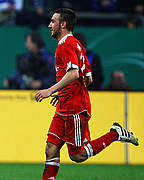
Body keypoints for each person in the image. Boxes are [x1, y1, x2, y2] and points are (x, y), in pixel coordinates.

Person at [34, 8, 138, 180]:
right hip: (65, 104)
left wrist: (50, 90)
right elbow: (87, 78)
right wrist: (64, 92)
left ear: (63, 24)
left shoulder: (66, 45)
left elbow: (74, 73)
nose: (49, 25)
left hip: (74, 107)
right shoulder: (77, 45)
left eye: (53, 21)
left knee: (78, 155)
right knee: (51, 148)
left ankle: (115, 134)